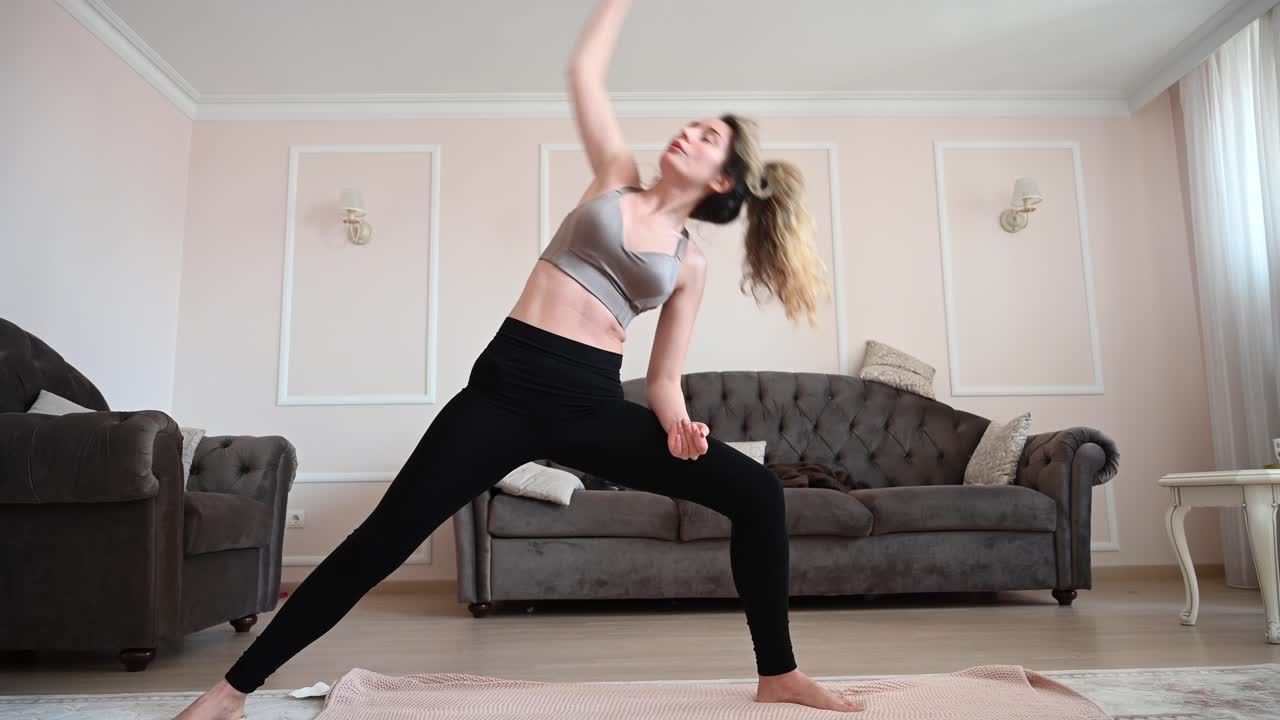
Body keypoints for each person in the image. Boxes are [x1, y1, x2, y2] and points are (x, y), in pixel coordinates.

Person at [176, 0, 857, 716]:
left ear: (723, 179)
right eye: (693, 123)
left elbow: (661, 377)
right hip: (505, 390)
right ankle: (231, 691)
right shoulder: (615, 177)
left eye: (709, 134)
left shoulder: (691, 263)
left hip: (593, 404)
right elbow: (583, 70)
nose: (688, 131)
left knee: (760, 492)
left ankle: (777, 673)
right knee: (380, 542)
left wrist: (681, 426)